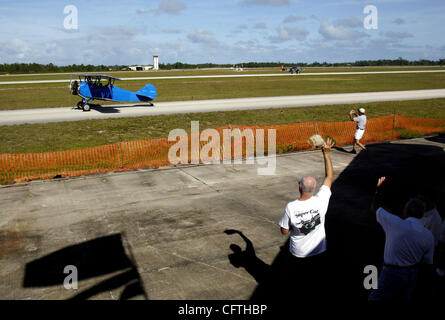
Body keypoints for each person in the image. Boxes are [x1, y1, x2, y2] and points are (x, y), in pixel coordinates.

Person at [368, 177, 435, 301]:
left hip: (391, 273)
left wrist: (378, 190)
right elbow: (428, 264)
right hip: (411, 275)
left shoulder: (395, 223)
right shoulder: (428, 235)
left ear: (405, 211)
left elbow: (375, 208)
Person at [279, 137, 334, 258]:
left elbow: (284, 231)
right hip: (319, 250)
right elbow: (329, 177)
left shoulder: (291, 207)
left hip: (298, 253)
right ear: (314, 188)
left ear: (300, 188)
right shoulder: (321, 200)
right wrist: (326, 154)